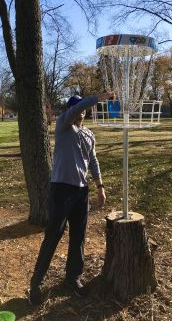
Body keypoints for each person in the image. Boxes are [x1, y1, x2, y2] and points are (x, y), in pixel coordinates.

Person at [29, 91, 115, 305]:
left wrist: (100, 186)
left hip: (81, 192)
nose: (82, 112)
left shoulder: (89, 135)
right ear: (71, 109)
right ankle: (36, 284)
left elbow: (93, 161)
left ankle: (72, 279)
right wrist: (97, 98)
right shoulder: (63, 125)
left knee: (78, 236)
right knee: (53, 235)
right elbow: (76, 108)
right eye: (79, 108)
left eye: (84, 109)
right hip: (61, 190)